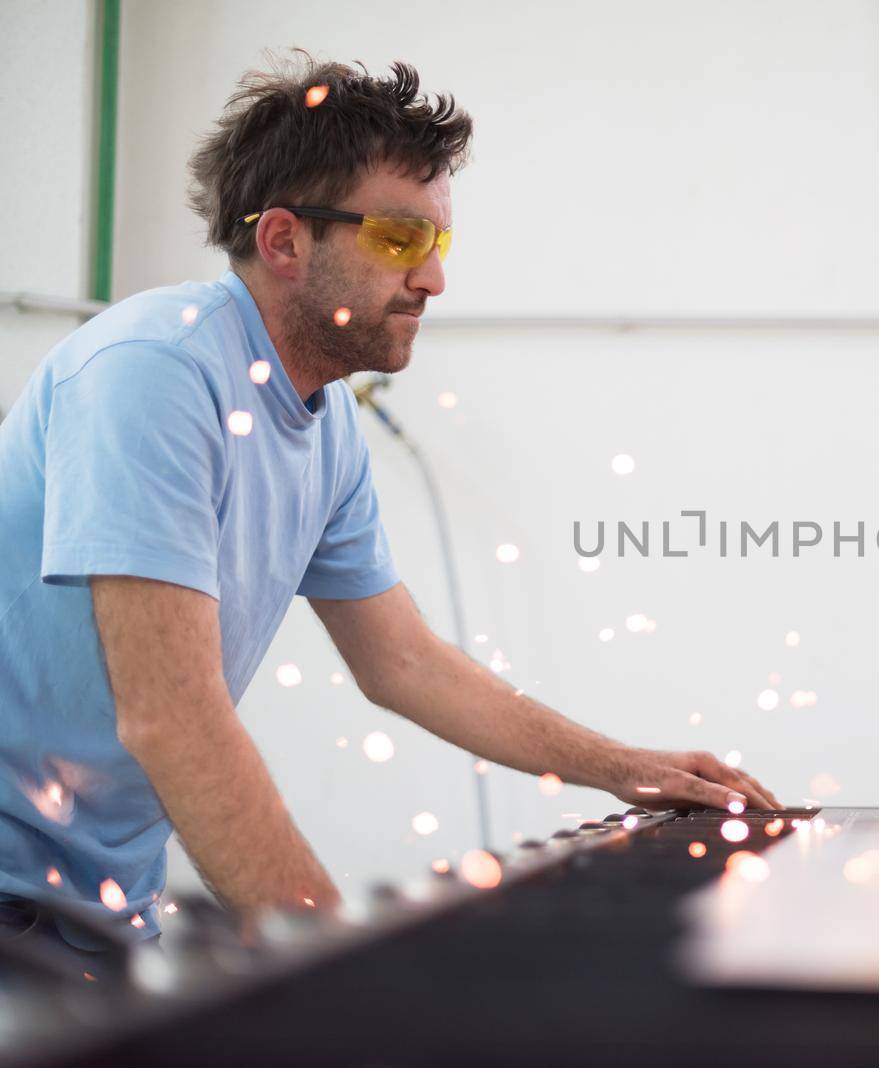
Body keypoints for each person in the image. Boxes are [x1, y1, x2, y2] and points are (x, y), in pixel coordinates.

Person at [0, 55, 777, 975]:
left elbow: (404, 663)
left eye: (441, 243)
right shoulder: (155, 373)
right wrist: (337, 963)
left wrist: (625, 767)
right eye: (402, 240)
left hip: (95, 913)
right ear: (285, 241)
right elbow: (171, 718)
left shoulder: (325, 422)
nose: (436, 279)